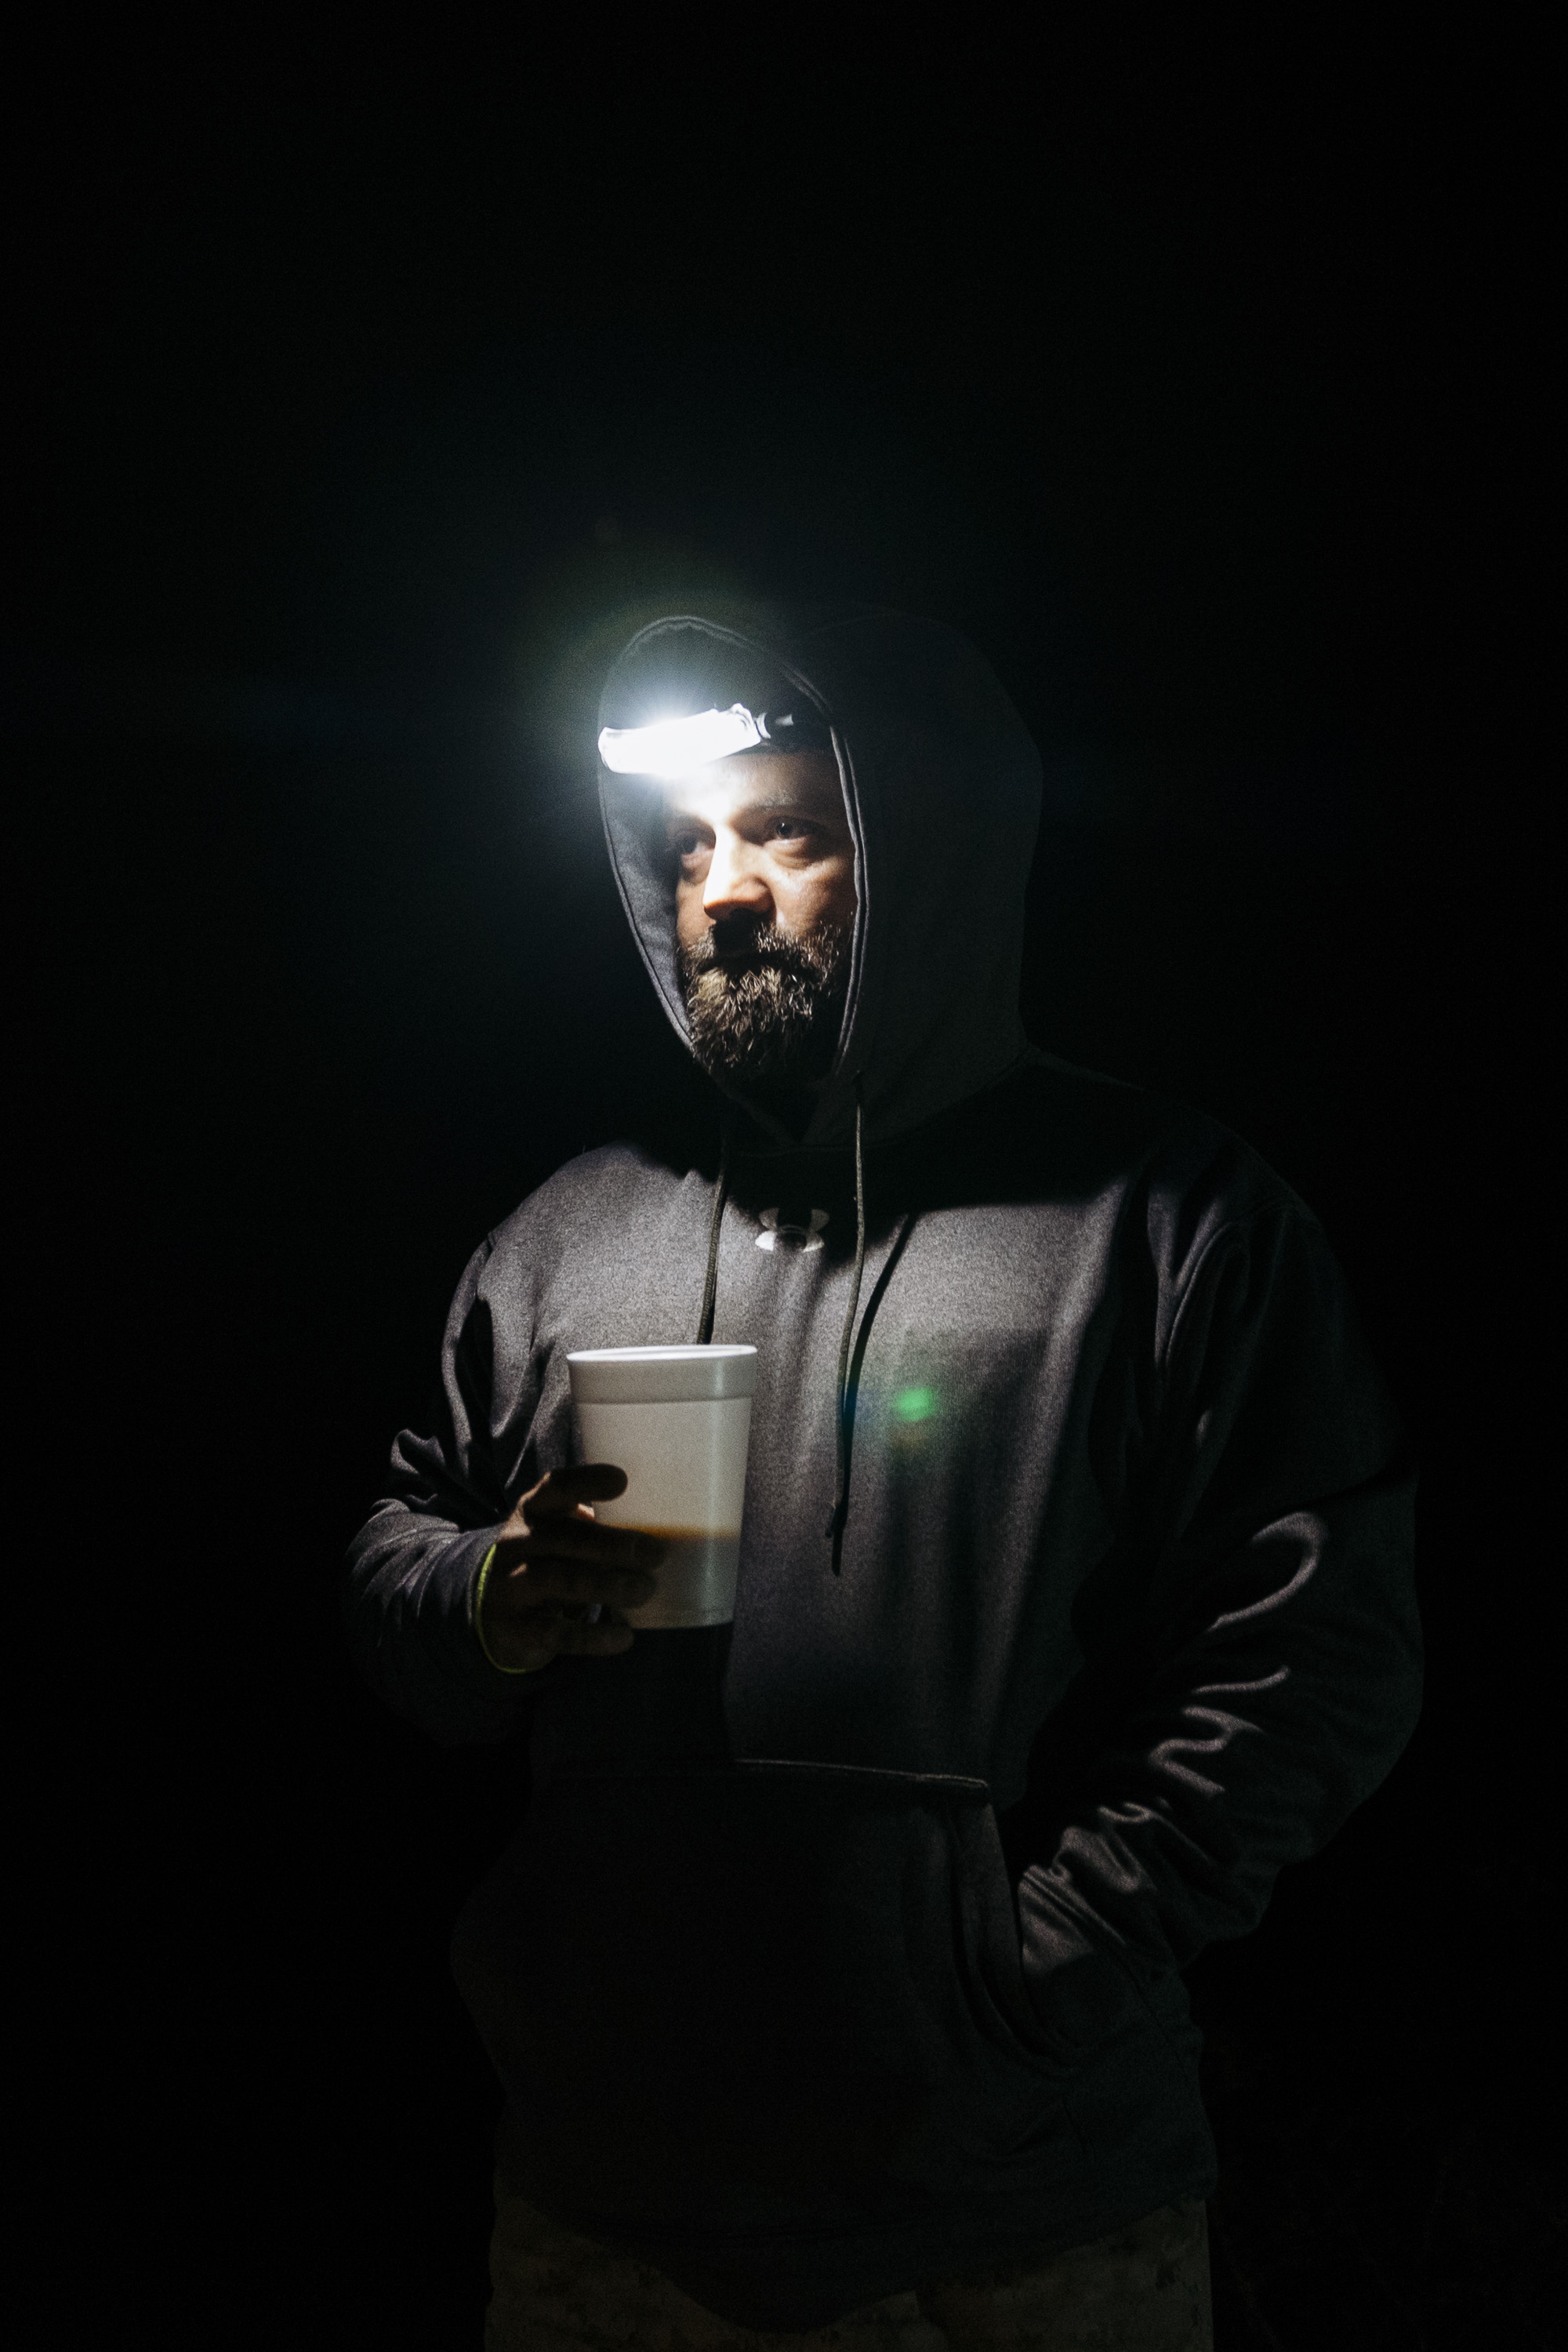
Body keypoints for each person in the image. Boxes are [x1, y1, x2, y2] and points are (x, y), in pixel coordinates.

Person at [346, 602, 1421, 2350]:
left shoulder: (1165, 1222)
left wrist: (1034, 1967)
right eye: (685, 846)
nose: (726, 890)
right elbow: (399, 1556)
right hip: (608, 2204)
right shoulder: (563, 1236)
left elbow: (1322, 1650)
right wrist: (486, 1597)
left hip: (1019, 2209)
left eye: (789, 831)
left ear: (930, 851)